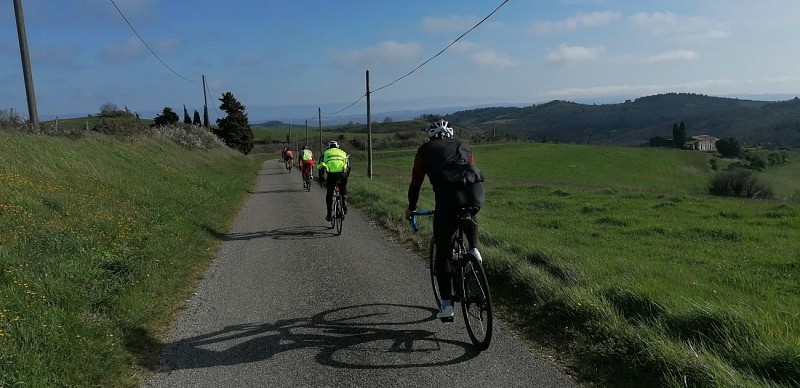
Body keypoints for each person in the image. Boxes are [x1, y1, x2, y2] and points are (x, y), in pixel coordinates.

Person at [404, 119, 485, 321]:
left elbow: (416, 183)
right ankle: (474, 250)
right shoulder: (464, 146)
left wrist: (411, 208)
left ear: (431, 135)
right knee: (468, 213)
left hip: (448, 201)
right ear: (450, 134)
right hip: (475, 194)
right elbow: (470, 171)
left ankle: (447, 305)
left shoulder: (425, 150)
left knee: (443, 254)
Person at [323, 140, 350, 221]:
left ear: (328, 147)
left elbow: (321, 166)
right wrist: (346, 175)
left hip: (331, 175)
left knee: (330, 193)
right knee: (343, 188)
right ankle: (344, 204)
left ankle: (329, 214)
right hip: (343, 174)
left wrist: (321, 178)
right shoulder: (343, 152)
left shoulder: (326, 153)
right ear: (337, 146)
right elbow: (349, 165)